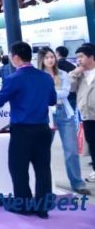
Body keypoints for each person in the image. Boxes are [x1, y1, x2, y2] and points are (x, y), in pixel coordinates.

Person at [0, 41, 56, 219]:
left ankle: (24, 205)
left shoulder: (13, 78)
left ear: (15, 57)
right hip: (43, 129)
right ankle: (43, 208)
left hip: (22, 130)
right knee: (43, 169)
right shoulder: (46, 77)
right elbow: (52, 100)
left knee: (18, 168)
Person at [38, 47, 89, 195]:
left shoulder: (62, 74)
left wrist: (48, 92)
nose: (50, 60)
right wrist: (51, 93)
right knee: (42, 151)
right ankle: (45, 184)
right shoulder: (38, 76)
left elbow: (65, 92)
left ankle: (77, 183)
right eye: (47, 57)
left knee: (71, 150)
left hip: (65, 113)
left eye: (52, 57)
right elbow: (41, 94)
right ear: (41, 60)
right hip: (46, 115)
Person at [71, 43, 95, 184]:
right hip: (87, 115)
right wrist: (75, 73)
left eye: (81, 56)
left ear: (91, 57)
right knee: (92, 144)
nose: (78, 60)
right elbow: (70, 88)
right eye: (77, 57)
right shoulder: (78, 74)